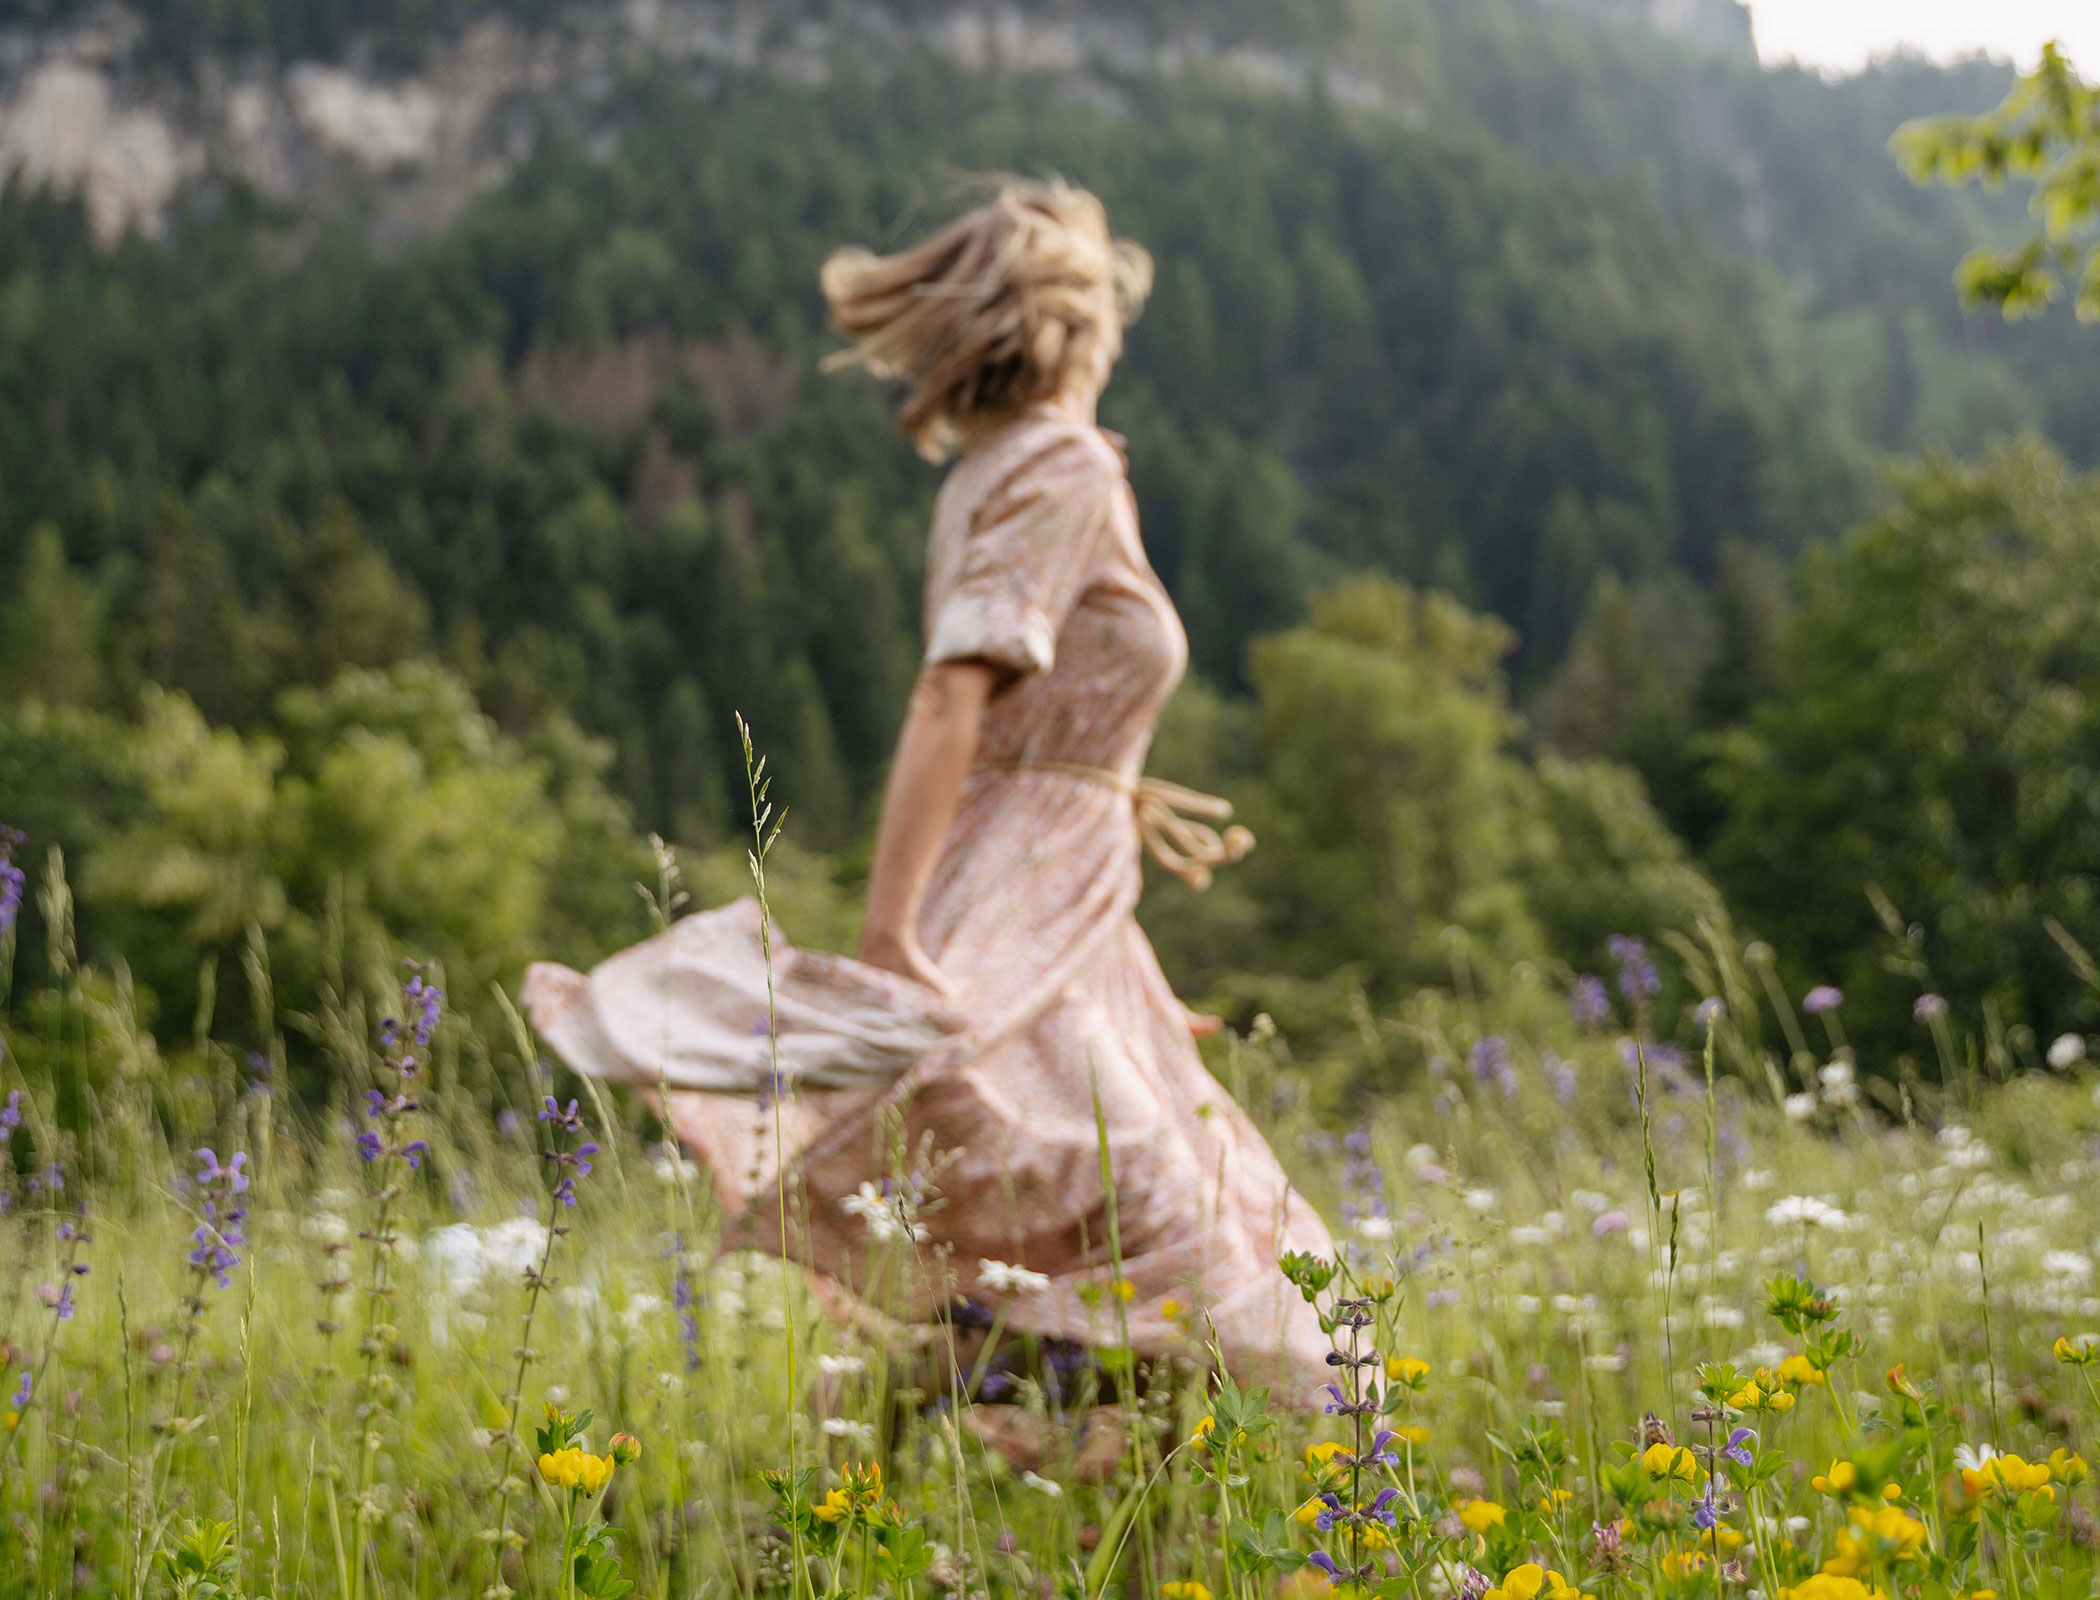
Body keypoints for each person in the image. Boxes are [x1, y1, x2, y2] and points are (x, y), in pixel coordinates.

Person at [527, 179, 1333, 1389]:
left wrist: (1131, 983)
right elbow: (954, 695)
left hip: (1056, 909)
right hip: (1010, 899)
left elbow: (1050, 756)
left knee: (1118, 1260)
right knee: (1201, 1279)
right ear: (1078, 326)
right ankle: (942, 1459)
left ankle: (958, 1466)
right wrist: (892, 932)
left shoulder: (998, 470)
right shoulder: (1059, 466)